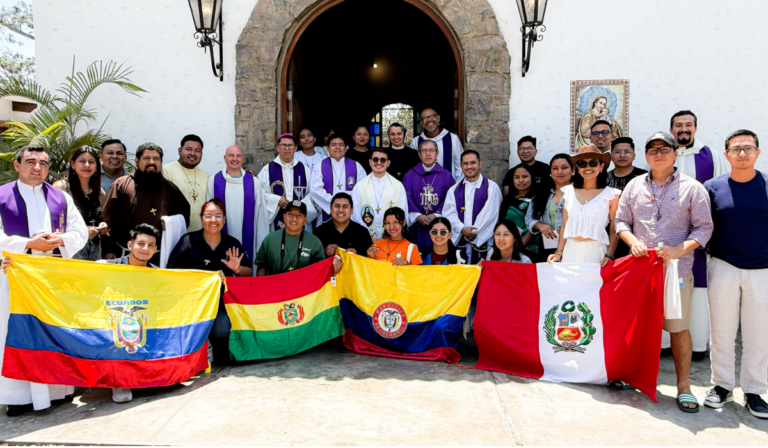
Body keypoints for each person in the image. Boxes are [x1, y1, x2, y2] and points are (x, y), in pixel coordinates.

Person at [615, 131, 713, 413]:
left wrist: (678, 249)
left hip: (676, 270)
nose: (658, 153)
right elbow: (621, 221)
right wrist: (633, 242)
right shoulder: (634, 186)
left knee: (678, 328)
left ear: (674, 153)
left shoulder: (693, 188)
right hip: (640, 271)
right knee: (638, 327)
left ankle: (683, 387)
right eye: (652, 149)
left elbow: (704, 228)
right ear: (646, 156)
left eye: (664, 149)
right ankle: (632, 375)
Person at [0, 146, 88, 416]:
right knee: (16, 332)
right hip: (13, 278)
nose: (37, 167)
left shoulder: (60, 197)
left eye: (43, 163)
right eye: (30, 162)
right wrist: (27, 243)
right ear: (17, 166)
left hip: (52, 277)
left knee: (52, 331)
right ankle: (18, 396)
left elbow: (80, 231)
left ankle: (56, 389)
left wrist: (60, 240)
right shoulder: (2, 195)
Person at [702, 129, 768, 418]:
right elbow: (702, 225)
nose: (742, 153)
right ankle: (722, 386)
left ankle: (754, 391)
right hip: (724, 265)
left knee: (758, 334)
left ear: (757, 153)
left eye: (748, 148)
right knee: (722, 331)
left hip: (763, 270)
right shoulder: (712, 187)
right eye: (736, 149)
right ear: (726, 154)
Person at [658, 110, 731, 359]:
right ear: (672, 130)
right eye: (678, 125)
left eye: (688, 125)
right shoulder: (664, 155)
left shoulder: (710, 156)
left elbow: (721, 192)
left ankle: (697, 345)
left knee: (697, 288)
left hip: (698, 236)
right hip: (667, 235)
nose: (684, 129)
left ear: (695, 129)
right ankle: (664, 343)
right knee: (665, 286)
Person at [167, 199, 253, 364]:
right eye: (208, 216)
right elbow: (170, 271)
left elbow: (248, 273)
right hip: (192, 303)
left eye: (218, 216)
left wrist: (236, 269)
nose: (213, 220)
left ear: (224, 219)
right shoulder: (188, 240)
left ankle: (219, 356)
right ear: (201, 219)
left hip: (221, 304)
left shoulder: (232, 244)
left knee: (222, 329)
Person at [102, 143, 190, 264]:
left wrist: (171, 222)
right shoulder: (121, 185)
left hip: (159, 257)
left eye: (156, 159)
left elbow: (185, 215)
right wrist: (108, 249)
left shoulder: (170, 189)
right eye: (146, 158)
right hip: (126, 256)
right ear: (137, 161)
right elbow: (107, 219)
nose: (151, 162)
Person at [102, 223, 161, 404]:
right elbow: (82, 271)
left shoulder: (157, 274)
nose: (145, 249)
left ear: (156, 249)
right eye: (141, 243)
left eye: (151, 245)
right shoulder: (108, 267)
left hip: (144, 321)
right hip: (114, 322)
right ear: (130, 245)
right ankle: (120, 382)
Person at [547, 145, 619, 266]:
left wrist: (610, 254)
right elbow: (564, 224)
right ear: (577, 167)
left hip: (597, 252)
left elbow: (614, 228)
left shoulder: (611, 195)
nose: (588, 167)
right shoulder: (568, 192)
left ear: (601, 165)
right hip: (570, 249)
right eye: (582, 164)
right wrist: (559, 252)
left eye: (593, 163)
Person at [206, 145, 270, 263]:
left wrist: (261, 240)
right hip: (221, 236)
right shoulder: (213, 180)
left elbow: (260, 213)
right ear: (225, 158)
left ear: (243, 158)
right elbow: (209, 213)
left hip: (248, 239)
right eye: (231, 155)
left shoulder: (254, 182)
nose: (234, 159)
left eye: (238, 156)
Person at [443, 150, 502, 263]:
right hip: (461, 242)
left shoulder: (492, 187)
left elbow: (491, 214)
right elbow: (448, 213)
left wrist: (474, 232)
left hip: (482, 242)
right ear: (461, 166)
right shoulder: (453, 190)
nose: (469, 166)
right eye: (465, 163)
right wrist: (461, 228)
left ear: (480, 164)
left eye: (472, 163)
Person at [255, 200, 341, 276]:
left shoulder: (314, 242)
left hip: (305, 292)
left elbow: (320, 272)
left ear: (305, 220)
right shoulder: (270, 239)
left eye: (299, 215)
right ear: (284, 217)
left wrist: (335, 271)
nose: (294, 219)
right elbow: (262, 267)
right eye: (290, 214)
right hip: (275, 291)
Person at [52, 146, 108, 261]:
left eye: (91, 162)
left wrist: (103, 225)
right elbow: (52, 221)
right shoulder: (61, 188)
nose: (87, 165)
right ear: (72, 163)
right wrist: (82, 231)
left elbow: (101, 217)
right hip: (68, 250)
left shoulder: (99, 192)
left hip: (95, 249)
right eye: (82, 161)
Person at [257, 133, 317, 232]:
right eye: (283, 145)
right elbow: (259, 193)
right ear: (278, 148)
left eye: (290, 145)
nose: (287, 148)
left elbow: (313, 193)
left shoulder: (304, 170)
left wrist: (299, 205)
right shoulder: (267, 169)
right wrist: (276, 200)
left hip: (299, 215)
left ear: (295, 148)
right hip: (277, 216)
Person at [403, 139, 455, 249]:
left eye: (431, 150)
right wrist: (418, 216)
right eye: (424, 151)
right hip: (417, 226)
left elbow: (450, 199)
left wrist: (436, 214)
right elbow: (406, 197)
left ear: (437, 153)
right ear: (419, 154)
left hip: (439, 226)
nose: (428, 154)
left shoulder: (447, 176)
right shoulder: (409, 176)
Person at [351, 148, 409, 241]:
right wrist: (368, 235)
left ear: (388, 163)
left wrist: (389, 232)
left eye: (382, 160)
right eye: (375, 159)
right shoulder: (360, 186)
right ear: (370, 162)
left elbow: (403, 211)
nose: (379, 162)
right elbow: (355, 214)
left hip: (391, 236)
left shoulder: (398, 185)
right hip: (365, 237)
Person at [526, 154, 574, 261]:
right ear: (550, 172)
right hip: (548, 246)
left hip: (573, 245)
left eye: (564, 167)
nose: (559, 172)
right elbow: (528, 219)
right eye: (555, 168)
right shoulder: (542, 194)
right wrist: (539, 225)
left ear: (573, 170)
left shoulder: (580, 193)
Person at [309, 133, 366, 225]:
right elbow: (315, 189)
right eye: (333, 144)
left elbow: (363, 189)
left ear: (346, 148)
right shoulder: (319, 166)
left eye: (340, 144)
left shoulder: (356, 166)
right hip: (327, 214)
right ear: (327, 148)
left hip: (351, 214)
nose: (337, 147)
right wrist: (334, 203)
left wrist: (346, 205)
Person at [162, 134, 210, 232]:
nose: (193, 153)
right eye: (188, 149)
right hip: (175, 232)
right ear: (179, 151)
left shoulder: (206, 176)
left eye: (197, 151)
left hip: (200, 233)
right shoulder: (165, 171)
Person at [498, 164, 541, 261]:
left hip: (528, 250)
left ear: (532, 178)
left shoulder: (536, 200)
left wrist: (517, 248)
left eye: (525, 176)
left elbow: (533, 230)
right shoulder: (508, 199)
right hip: (507, 249)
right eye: (516, 177)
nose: (520, 180)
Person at [410, 108, 464, 181]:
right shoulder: (416, 142)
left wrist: (456, 187)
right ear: (421, 123)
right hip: (424, 187)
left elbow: (460, 166)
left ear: (438, 118)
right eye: (425, 118)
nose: (429, 120)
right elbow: (413, 166)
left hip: (449, 187)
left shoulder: (452, 139)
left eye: (432, 116)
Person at [314, 192, 372, 258]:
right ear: (331, 209)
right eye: (337, 206)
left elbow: (369, 261)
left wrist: (357, 254)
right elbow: (312, 261)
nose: (341, 210)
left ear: (351, 210)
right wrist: (323, 252)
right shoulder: (319, 232)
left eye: (345, 206)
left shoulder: (362, 232)